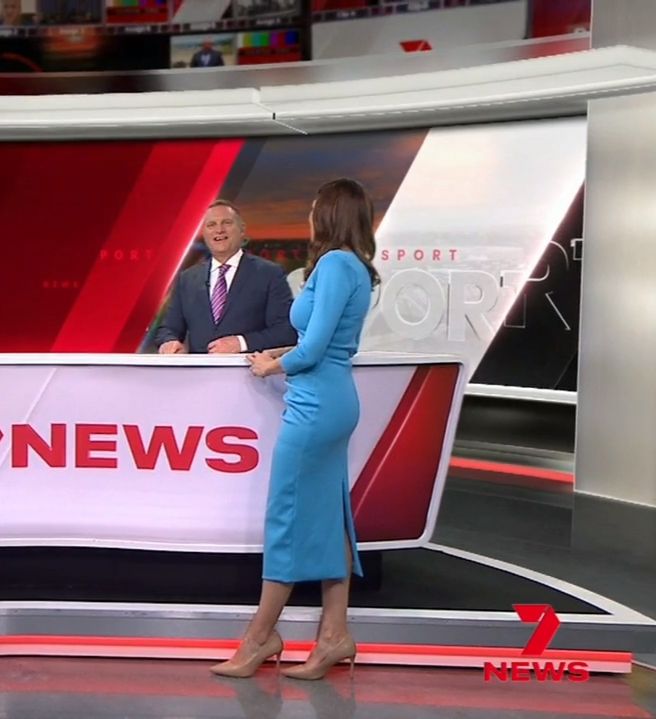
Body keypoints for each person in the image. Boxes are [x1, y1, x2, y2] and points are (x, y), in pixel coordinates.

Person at [210, 178, 380, 680]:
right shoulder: (354, 267)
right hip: (332, 398)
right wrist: (284, 352)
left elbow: (315, 348)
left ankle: (260, 637)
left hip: (315, 406)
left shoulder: (334, 265)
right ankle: (334, 635)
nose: (308, 216)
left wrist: (271, 366)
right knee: (330, 516)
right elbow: (325, 344)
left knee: (286, 518)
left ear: (328, 215)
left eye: (314, 208)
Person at [155, 200, 297, 354]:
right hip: (199, 368)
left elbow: (285, 331)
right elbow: (168, 329)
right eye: (211, 225)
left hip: (248, 367)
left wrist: (241, 343)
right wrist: (168, 341)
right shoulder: (187, 279)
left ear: (242, 230)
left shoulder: (269, 274)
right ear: (204, 233)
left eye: (227, 223)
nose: (219, 230)